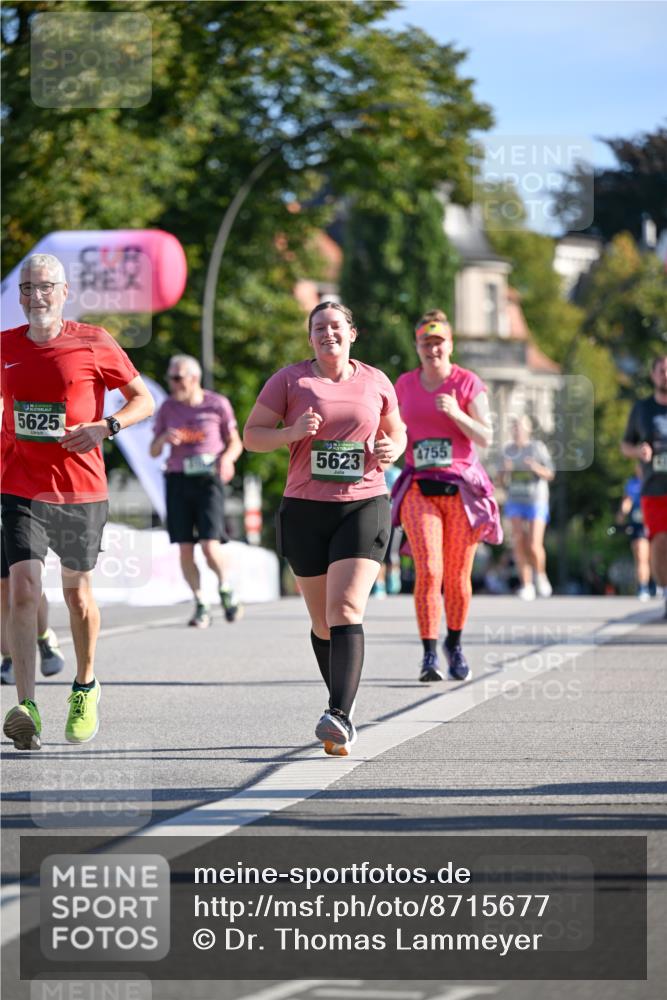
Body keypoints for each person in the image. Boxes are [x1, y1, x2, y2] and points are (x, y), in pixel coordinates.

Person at [1, 253, 154, 751]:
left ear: (64, 292)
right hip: (20, 483)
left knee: (77, 596)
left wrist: (105, 426)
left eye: (44, 287)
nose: (34, 297)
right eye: (26, 289)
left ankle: (85, 684)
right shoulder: (5, 347)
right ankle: (26, 706)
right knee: (22, 587)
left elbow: (143, 400)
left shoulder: (93, 342)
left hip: (79, 488)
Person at [243, 301, 406, 755]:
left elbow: (398, 431)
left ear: (353, 332)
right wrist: (291, 432)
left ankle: (339, 715)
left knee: (346, 609)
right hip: (304, 509)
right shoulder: (290, 380)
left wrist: (392, 448)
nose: (327, 333)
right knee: (322, 621)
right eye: (319, 328)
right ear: (310, 335)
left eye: (336, 326)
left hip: (364, 504)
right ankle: (341, 710)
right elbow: (252, 436)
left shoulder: (375, 380)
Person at [391, 310, 502, 683]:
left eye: (439, 342)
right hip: (419, 486)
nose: (433, 349)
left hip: (461, 490)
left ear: (450, 345)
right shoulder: (404, 385)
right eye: (426, 342)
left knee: (456, 578)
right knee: (429, 570)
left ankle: (453, 645)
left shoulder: (467, 383)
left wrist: (456, 413)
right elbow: (392, 431)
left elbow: (486, 437)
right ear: (417, 346)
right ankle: (427, 654)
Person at [150, 354, 244, 628]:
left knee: (209, 545)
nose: (172, 382)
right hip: (178, 478)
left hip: (208, 479)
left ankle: (225, 588)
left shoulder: (217, 404)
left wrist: (227, 460)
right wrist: (164, 438)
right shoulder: (167, 408)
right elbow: (153, 450)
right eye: (170, 377)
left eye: (177, 378)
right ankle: (201, 601)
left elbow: (235, 443)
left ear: (194, 378)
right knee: (185, 548)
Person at [621, 355, 667, 618]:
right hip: (653, 487)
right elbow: (625, 445)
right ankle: (664, 590)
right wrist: (638, 450)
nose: (665, 375)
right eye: (661, 370)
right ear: (653, 375)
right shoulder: (642, 409)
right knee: (659, 542)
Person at [501, 414, 555, 600]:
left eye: (521, 428)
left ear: (528, 430)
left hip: (536, 500)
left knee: (533, 544)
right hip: (515, 500)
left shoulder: (537, 448)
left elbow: (550, 473)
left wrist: (535, 467)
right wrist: (505, 471)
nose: (518, 431)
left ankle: (540, 575)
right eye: (514, 428)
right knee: (518, 541)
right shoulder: (507, 450)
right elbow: (500, 482)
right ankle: (526, 584)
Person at [1, 539, 66, 684]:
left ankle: (44, 638)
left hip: (22, 518)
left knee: (27, 582)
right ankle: (9, 659)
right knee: (3, 585)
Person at [615, 465, 651, 600]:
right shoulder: (632, 483)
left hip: (655, 521)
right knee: (641, 555)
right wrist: (622, 513)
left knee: (656, 555)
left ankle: (658, 584)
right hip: (638, 524)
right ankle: (643, 587)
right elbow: (627, 500)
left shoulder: (657, 480)